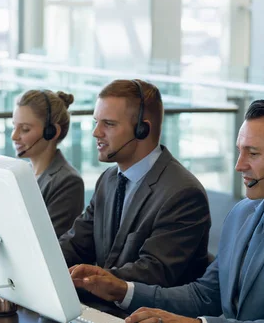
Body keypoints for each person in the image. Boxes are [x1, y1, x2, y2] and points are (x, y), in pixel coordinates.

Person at [69, 100, 264, 323]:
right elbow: (206, 295)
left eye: (252, 154)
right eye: (240, 151)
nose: (239, 165)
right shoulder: (244, 213)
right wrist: (122, 290)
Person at [59, 79, 211, 288]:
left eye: (109, 124)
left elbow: (152, 273)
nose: (96, 132)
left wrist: (85, 282)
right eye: (96, 122)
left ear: (142, 130)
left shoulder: (182, 193)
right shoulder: (108, 180)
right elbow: (76, 243)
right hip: (102, 309)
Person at [11, 89, 84, 238]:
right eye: (14, 126)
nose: (14, 136)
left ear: (51, 132)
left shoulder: (67, 181)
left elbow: (48, 243)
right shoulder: (24, 174)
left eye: (25, 129)